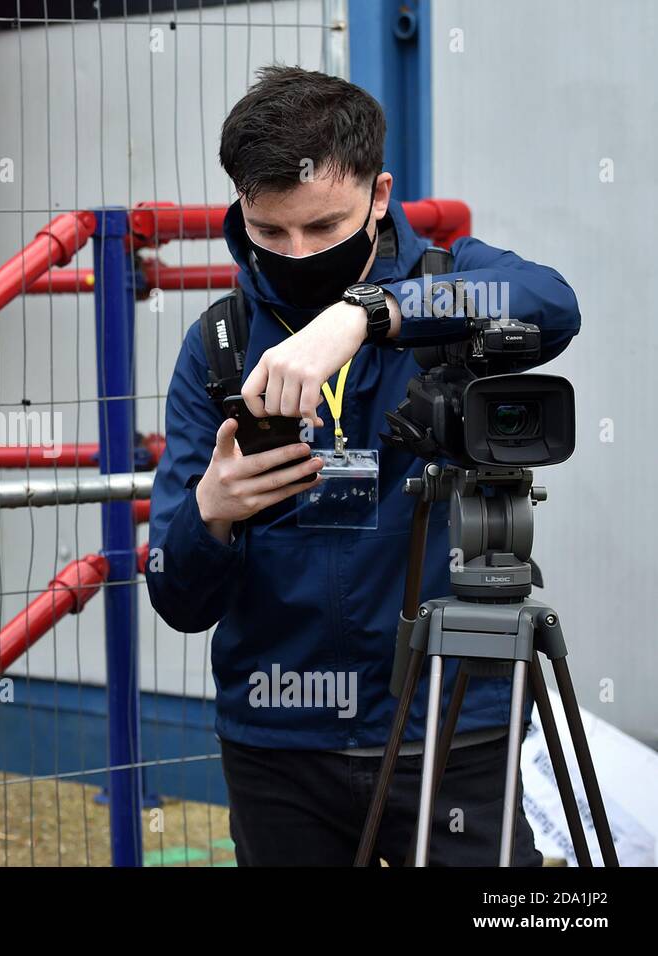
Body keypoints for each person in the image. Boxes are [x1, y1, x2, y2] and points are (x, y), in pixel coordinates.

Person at [146, 65, 581, 866]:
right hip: (279, 740)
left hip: (452, 727)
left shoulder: (447, 287)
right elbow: (176, 596)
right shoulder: (215, 343)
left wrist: (371, 314)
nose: (297, 252)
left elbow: (552, 302)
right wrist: (208, 514)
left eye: (324, 227)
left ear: (380, 197)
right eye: (270, 231)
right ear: (241, 205)